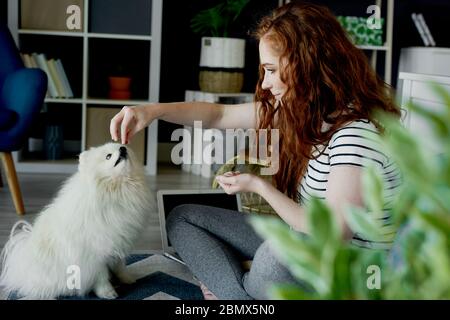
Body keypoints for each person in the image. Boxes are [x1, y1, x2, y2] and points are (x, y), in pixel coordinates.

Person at [109, 2, 401, 300]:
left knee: (274, 256)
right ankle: (243, 293)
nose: (266, 82)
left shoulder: (355, 135)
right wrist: (151, 111)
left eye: (272, 70)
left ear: (308, 63)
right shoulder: (303, 114)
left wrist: (258, 186)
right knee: (182, 218)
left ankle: (235, 291)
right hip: (302, 242)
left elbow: (333, 233)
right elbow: (218, 116)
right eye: (265, 70)